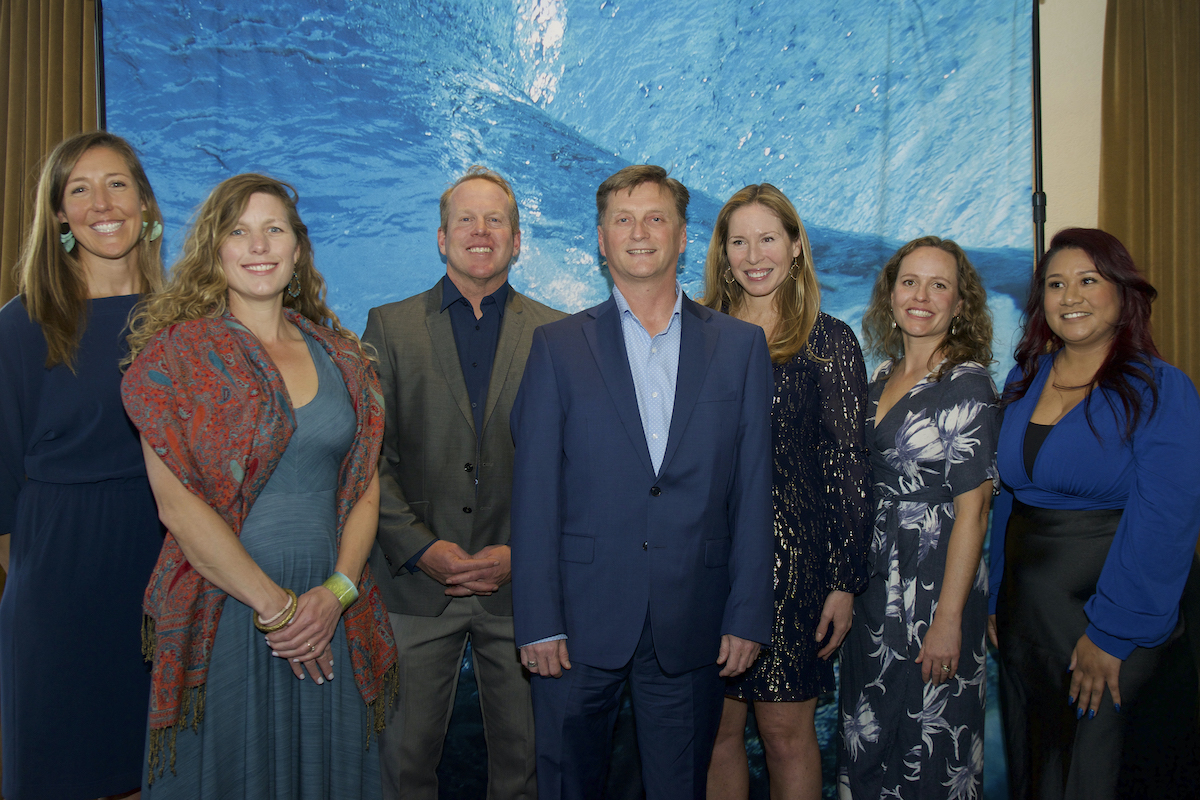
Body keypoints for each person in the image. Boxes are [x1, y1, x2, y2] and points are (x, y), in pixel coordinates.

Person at [121, 174, 397, 798]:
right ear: (214, 249)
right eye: (239, 231)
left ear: (298, 248)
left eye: (274, 229)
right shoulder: (174, 359)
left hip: (331, 615)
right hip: (232, 611)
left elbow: (364, 489)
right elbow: (178, 509)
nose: (259, 245)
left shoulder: (344, 358)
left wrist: (335, 595)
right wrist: (278, 610)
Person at [510, 164, 775, 800]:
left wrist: (747, 614)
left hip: (694, 621)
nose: (639, 232)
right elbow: (535, 496)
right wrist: (538, 620)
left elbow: (752, 492)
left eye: (656, 218)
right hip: (576, 623)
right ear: (601, 241)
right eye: (623, 220)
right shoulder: (556, 347)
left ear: (682, 237)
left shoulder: (740, 347)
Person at [362, 165, 564, 799]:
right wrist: (421, 548)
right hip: (416, 588)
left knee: (525, 772)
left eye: (495, 220)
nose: (481, 231)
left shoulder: (560, 333)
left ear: (517, 240)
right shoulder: (389, 327)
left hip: (523, 591)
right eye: (466, 220)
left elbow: (575, 466)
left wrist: (523, 554)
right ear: (441, 238)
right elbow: (368, 458)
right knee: (402, 770)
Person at [988, 227, 1200, 800]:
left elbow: (1166, 520)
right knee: (1039, 767)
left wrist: (1112, 633)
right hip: (1027, 620)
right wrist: (996, 595)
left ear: (1121, 292)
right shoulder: (1024, 379)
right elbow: (1008, 498)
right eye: (1056, 284)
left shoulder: (1160, 389)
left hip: (1110, 616)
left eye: (1088, 280)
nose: (1071, 296)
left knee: (1097, 770)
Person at [0, 131, 165, 799]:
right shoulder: (22, 324)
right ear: (60, 214)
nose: (102, 203)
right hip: (58, 579)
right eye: (80, 189)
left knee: (158, 768)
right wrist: (35, 585)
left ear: (145, 203)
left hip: (163, 569)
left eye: (117, 183)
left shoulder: (186, 322)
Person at [700, 184, 871, 800]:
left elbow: (848, 466)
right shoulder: (696, 336)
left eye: (768, 238)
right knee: (715, 734)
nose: (754, 256)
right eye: (739, 241)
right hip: (708, 564)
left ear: (796, 246)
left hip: (794, 569)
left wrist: (844, 580)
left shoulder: (830, 342)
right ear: (722, 253)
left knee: (785, 736)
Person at [837, 236, 997, 800]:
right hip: (875, 583)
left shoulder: (967, 383)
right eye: (910, 282)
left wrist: (949, 618)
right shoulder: (882, 375)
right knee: (868, 732)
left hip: (934, 584)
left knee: (927, 740)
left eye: (939, 285)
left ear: (960, 304)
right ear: (890, 295)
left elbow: (975, 511)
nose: (921, 296)